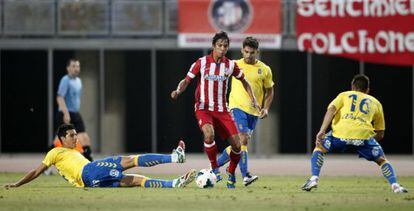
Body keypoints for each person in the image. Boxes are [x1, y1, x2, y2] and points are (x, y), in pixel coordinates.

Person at [171, 31, 260, 188]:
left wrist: (253, 98)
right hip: (203, 108)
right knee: (209, 134)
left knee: (237, 145)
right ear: (213, 46)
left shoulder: (231, 65)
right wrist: (178, 91)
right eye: (220, 45)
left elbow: (245, 82)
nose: (223, 48)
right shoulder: (202, 62)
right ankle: (214, 167)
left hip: (222, 110)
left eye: (225, 46)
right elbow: (186, 80)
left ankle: (231, 173)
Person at [301, 74, 408, 193]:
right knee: (382, 160)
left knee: (319, 148)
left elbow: (331, 109)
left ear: (352, 87)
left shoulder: (344, 95)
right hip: (364, 137)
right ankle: (395, 186)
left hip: (340, 135)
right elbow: (380, 133)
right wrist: (366, 143)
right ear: (367, 90)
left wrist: (322, 130)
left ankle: (314, 178)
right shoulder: (376, 103)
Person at [4, 124, 196, 189]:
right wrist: (17, 184)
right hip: (89, 172)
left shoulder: (73, 152)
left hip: (91, 174)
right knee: (131, 169)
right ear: (61, 138)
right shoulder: (55, 152)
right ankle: (174, 168)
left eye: (75, 134)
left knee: (133, 173)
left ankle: (174, 174)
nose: (75, 137)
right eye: (71, 135)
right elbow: (36, 171)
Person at [216, 37, 274, 186]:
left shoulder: (265, 70)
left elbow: (269, 91)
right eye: (246, 52)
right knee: (243, 139)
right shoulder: (234, 64)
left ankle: (214, 166)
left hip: (254, 113)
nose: (248, 55)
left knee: (238, 145)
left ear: (257, 52)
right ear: (242, 50)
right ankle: (245, 175)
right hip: (236, 107)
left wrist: (266, 108)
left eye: (252, 53)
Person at [56, 59, 93, 161]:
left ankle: (89, 161)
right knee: (59, 140)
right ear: (68, 68)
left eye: (77, 66)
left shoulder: (78, 81)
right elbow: (59, 97)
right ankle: (47, 165)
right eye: (73, 66)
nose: (76, 69)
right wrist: (66, 113)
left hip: (75, 113)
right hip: (65, 113)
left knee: (85, 138)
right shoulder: (65, 80)